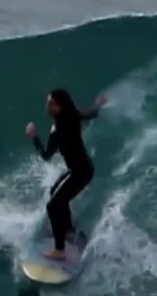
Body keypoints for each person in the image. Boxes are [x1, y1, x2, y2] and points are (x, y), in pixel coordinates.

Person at [24, 88, 108, 260]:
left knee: (53, 206)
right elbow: (91, 114)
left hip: (79, 172)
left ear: (60, 107)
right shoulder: (73, 115)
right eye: (48, 102)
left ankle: (59, 250)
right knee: (55, 194)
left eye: (51, 103)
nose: (47, 106)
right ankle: (68, 230)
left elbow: (46, 155)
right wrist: (98, 105)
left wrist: (34, 137)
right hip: (83, 169)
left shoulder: (58, 129)